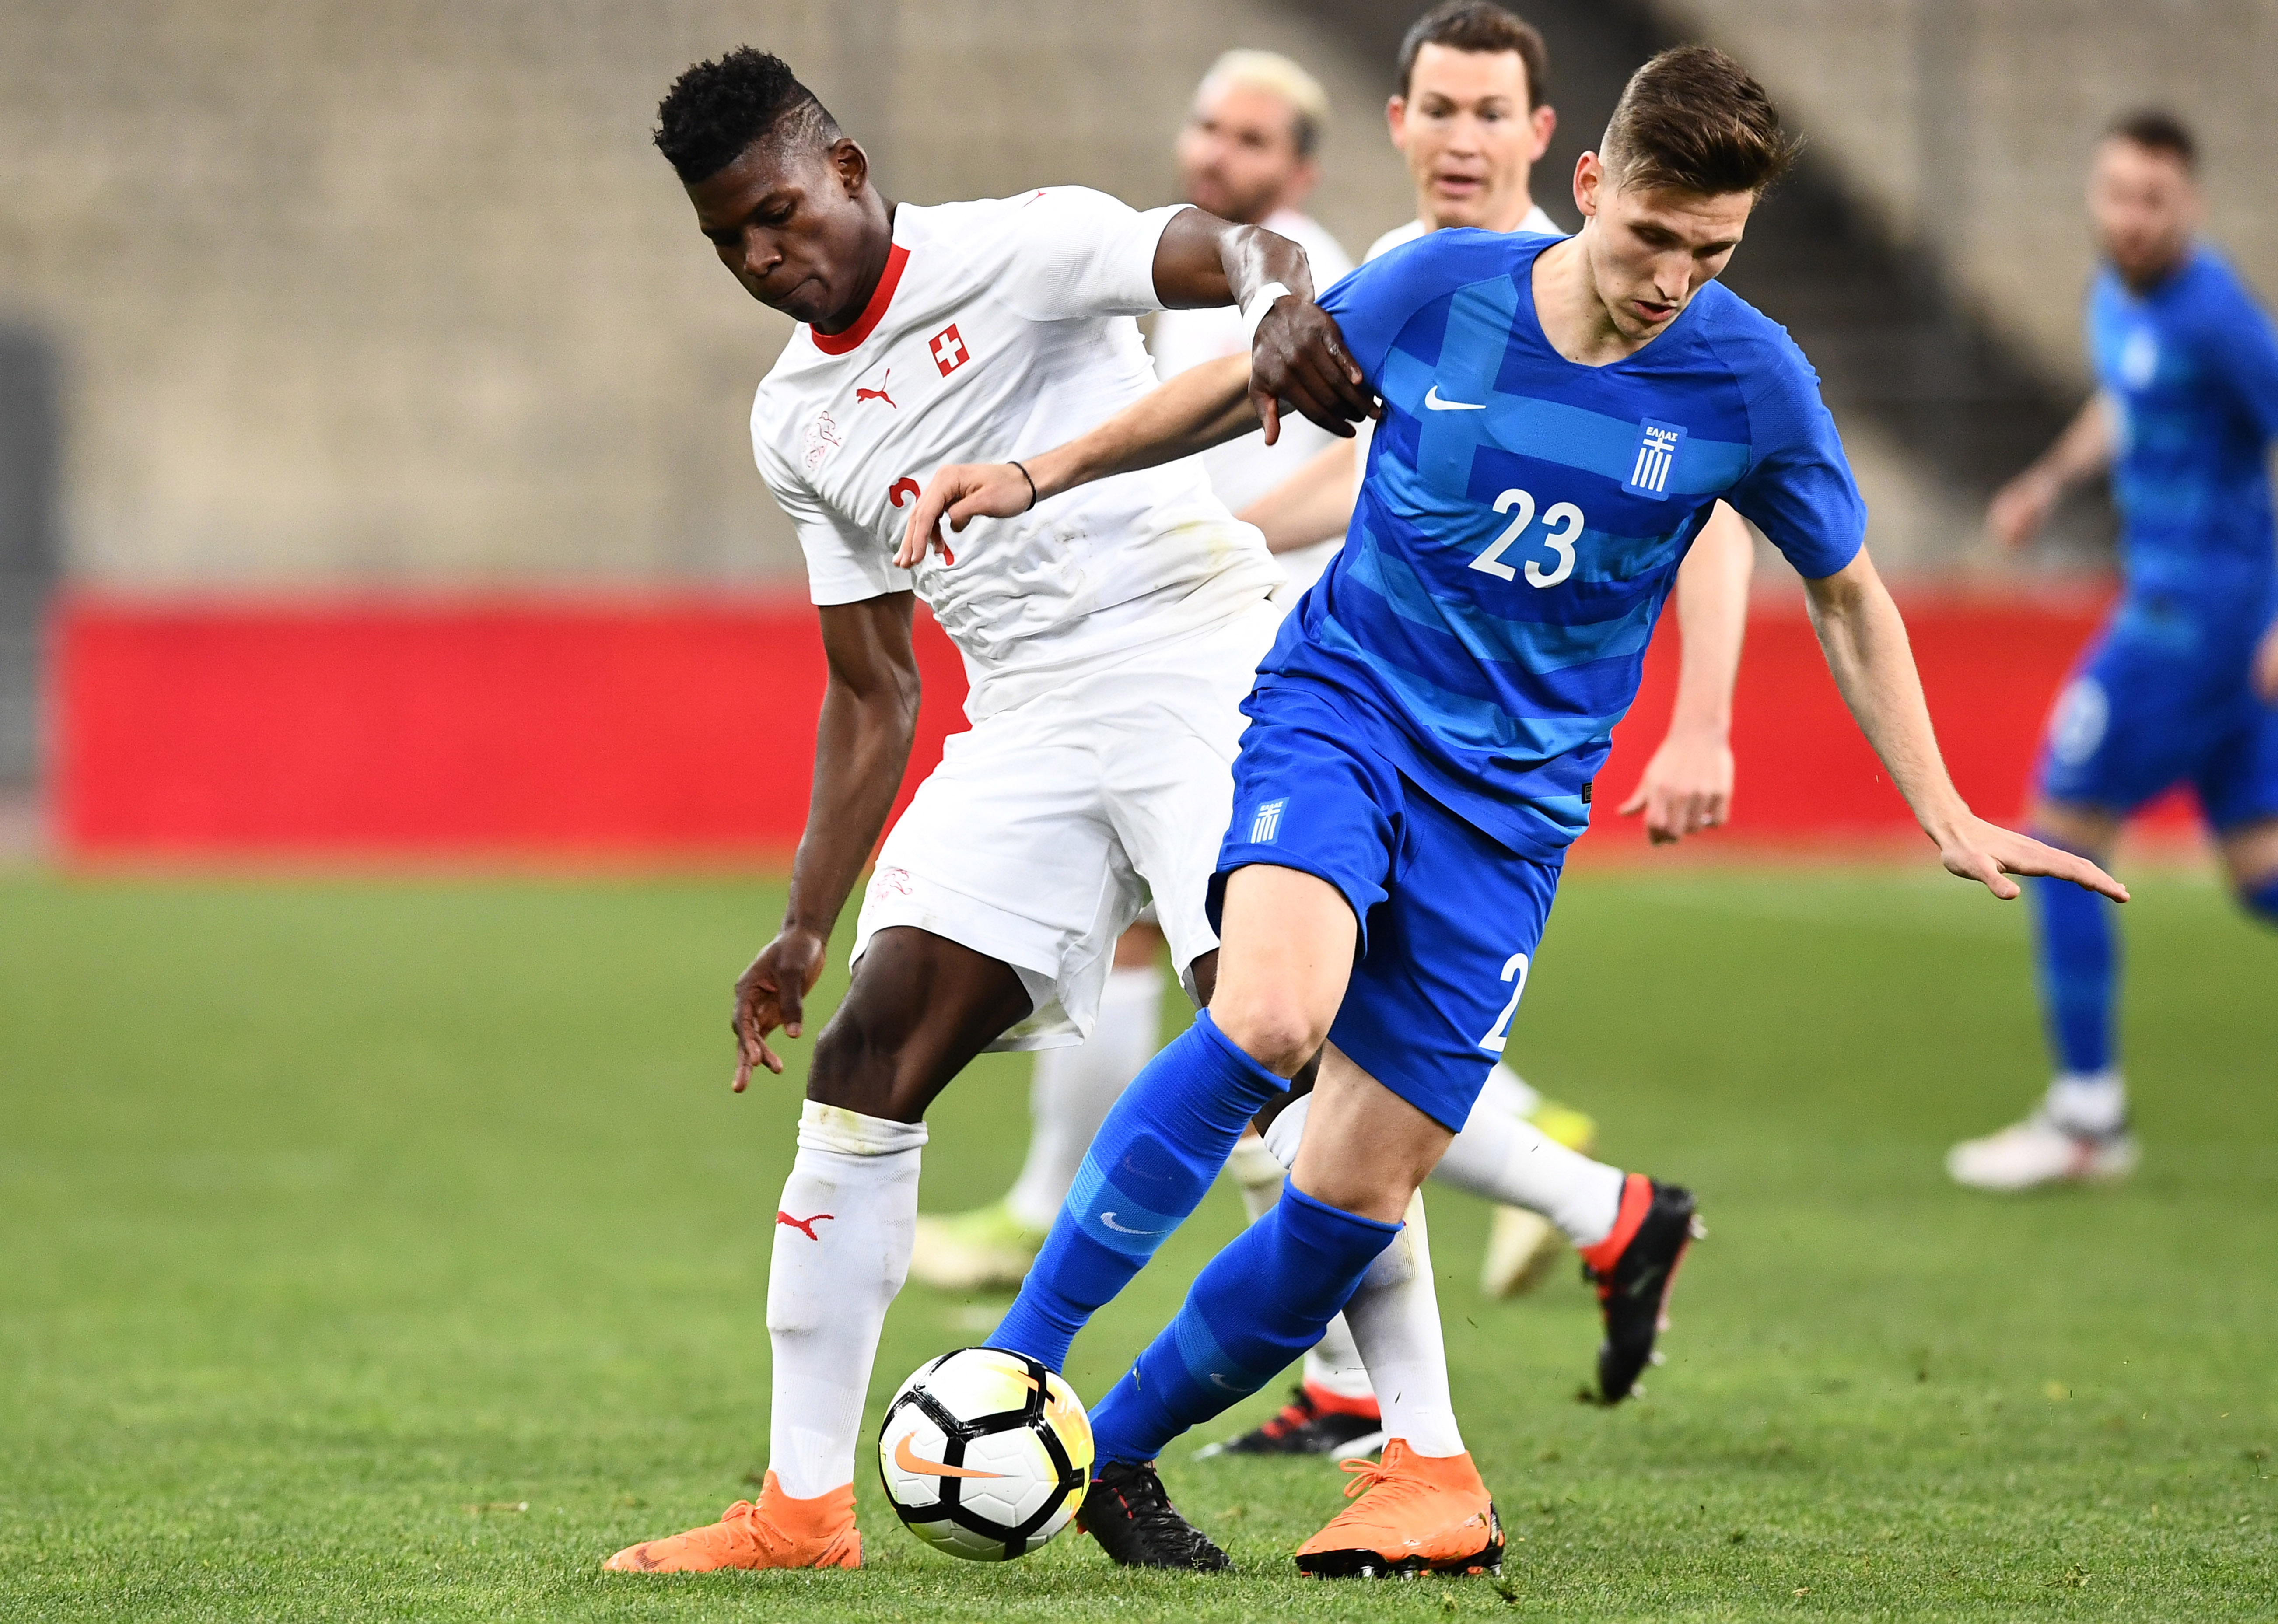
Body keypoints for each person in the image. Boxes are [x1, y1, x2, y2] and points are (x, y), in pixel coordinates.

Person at [905, 45, 2125, 1575]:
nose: (1674, 278)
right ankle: (1012, 1370)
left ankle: (1109, 1454)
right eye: (1652, 238)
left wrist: (1940, 805)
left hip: (1511, 810)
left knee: (1350, 1190)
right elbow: (1237, 386)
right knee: (1272, 1014)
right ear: (1593, 188)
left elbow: (1845, 589)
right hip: (1341, 713)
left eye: (1712, 252)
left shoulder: (1748, 378)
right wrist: (1034, 471)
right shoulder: (1442, 290)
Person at [600, 45, 1374, 1575]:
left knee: (1281, 1058)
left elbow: (1229, 246)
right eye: (728, 243)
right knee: (866, 1054)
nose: (763, 258)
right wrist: (804, 923)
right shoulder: (793, 423)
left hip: (1193, 658)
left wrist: (1279, 296)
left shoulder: (1016, 246)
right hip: (1022, 717)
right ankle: (800, 1509)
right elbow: (872, 686)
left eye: (774, 214)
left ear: (842, 166)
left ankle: (1409, 1450)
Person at [1207, 4, 1761, 1459]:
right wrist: (1202, 541)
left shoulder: (1620, 294)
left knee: (1297, 1059)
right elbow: (1389, 488)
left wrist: (1701, 718)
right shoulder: (1412, 281)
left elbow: (1711, 511)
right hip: (1362, 707)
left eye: (1486, 113)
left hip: (1485, 766)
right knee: (1289, 1057)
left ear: (1544, 142)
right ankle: (1437, 1341)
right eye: (1434, 109)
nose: (1458, 139)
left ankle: (1475, 1326)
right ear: (1394, 124)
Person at [906, 47, 1358, 1300]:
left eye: (1254, 141)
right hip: (1175, 643)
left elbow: (1372, 453)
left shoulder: (1314, 276)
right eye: (1211, 127)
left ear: (1301, 169)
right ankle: (1060, 1212)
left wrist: (1248, 540)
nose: (1222, 154)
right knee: (1204, 970)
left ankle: (1569, 1200)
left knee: (1261, 994)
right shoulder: (1179, 272)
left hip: (1261, 640)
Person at [1946, 110, 2278, 1192]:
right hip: (2218, 629)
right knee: (2269, 869)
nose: (2130, 217)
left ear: (2191, 207)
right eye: (2116, 193)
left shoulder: (2214, 311)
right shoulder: (2117, 296)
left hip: (2195, 622)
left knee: (2059, 825)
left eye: (2153, 200)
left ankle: (2085, 1116)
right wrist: (2047, 480)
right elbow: (2124, 401)